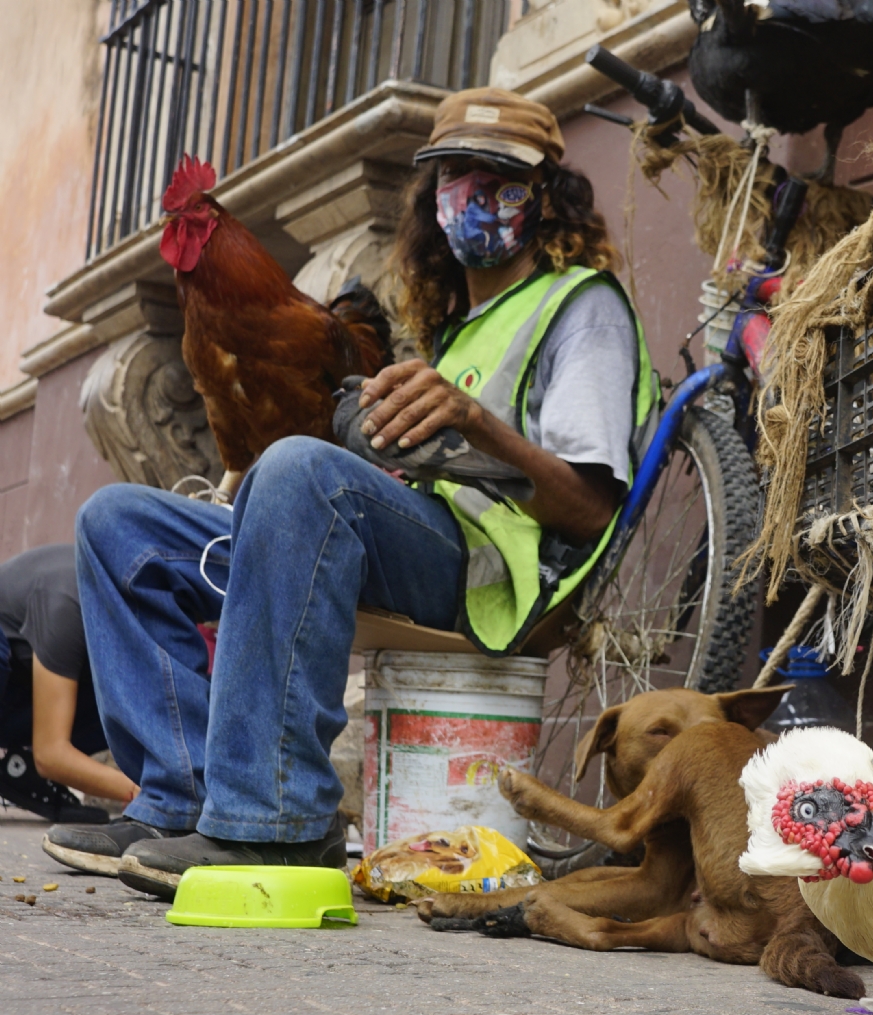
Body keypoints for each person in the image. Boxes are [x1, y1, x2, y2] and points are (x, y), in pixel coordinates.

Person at [55, 88, 655, 897]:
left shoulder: (579, 305)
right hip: (404, 534)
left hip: (492, 573)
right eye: (454, 176)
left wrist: (473, 421)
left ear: (545, 197)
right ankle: (180, 797)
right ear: (432, 199)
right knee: (117, 523)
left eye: (500, 178)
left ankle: (277, 822)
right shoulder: (459, 326)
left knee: (301, 468)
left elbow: (589, 512)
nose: (473, 195)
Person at [0, 544, 138, 829]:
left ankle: (19, 771)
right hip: (9, 666)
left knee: (133, 701)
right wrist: (151, 797)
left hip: (19, 689)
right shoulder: (69, 599)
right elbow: (51, 754)